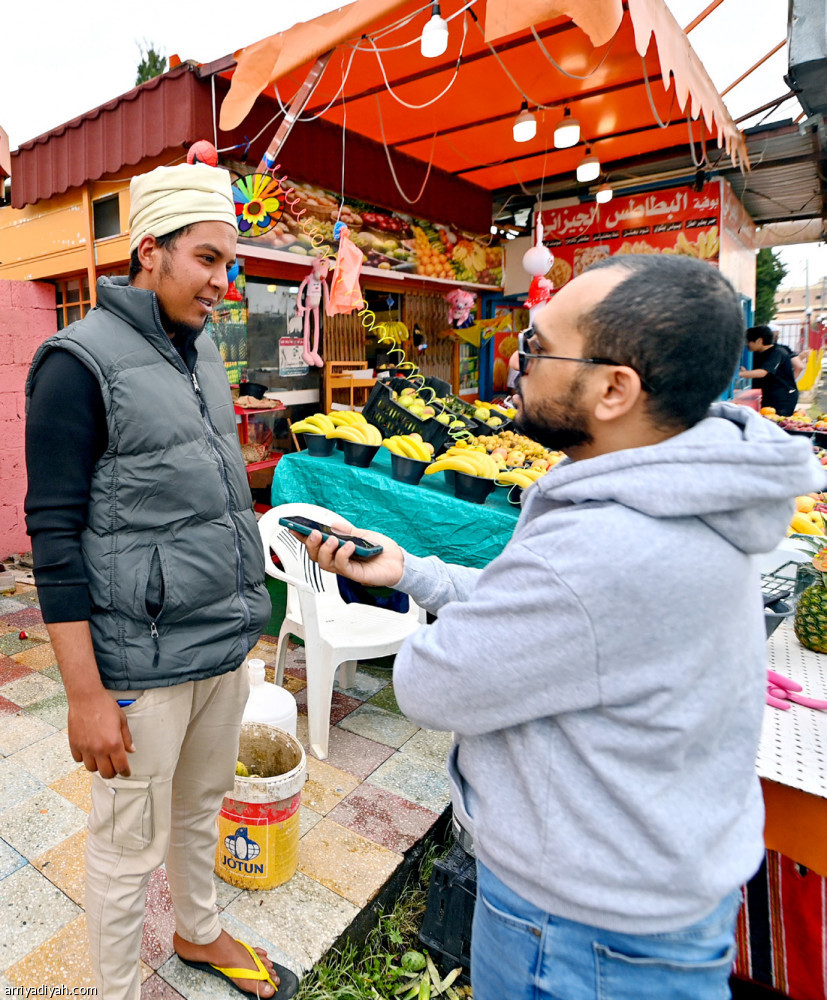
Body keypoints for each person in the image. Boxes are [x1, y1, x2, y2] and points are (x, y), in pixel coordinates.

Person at [296, 255, 822, 1000]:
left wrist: (418, 624)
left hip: (580, 937)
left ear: (615, 389)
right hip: (646, 902)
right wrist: (414, 572)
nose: (517, 366)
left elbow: (429, 682)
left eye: (537, 348)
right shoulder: (680, 496)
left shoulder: (604, 547)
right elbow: (555, 613)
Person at [25, 162, 298, 1000]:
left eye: (230, 264)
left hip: (218, 643)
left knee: (200, 805)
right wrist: (83, 695)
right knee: (124, 843)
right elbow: (55, 538)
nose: (224, 283)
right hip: (139, 664)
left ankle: (199, 932)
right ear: (152, 250)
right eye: (209, 261)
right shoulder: (77, 364)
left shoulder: (204, 351)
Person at [740, 324, 800, 414]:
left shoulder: (778, 352)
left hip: (782, 397)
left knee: (777, 422)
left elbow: (763, 372)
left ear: (759, 340)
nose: (746, 344)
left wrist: (738, 374)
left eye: (748, 341)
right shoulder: (758, 353)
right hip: (768, 394)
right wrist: (746, 372)